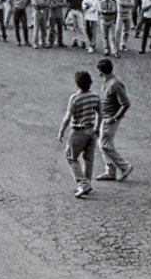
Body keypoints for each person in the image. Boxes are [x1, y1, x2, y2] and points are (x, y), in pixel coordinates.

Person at [57, 70, 100, 198]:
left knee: (70, 157)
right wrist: (97, 127)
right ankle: (87, 182)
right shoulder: (95, 97)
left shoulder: (75, 98)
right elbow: (100, 113)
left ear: (77, 84)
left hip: (78, 131)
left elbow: (68, 117)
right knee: (89, 159)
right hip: (91, 130)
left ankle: (82, 182)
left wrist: (61, 130)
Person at [94, 58, 133, 182]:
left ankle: (124, 166)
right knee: (102, 144)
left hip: (111, 118)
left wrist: (115, 118)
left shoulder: (115, 84)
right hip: (105, 117)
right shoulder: (107, 82)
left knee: (105, 145)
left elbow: (125, 103)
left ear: (101, 71)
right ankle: (110, 171)